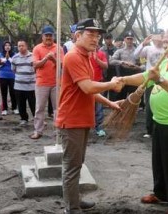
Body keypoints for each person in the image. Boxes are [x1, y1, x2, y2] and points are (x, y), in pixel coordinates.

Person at [118, 27, 168, 214]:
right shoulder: (166, 61)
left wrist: (161, 80)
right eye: (163, 42)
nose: (163, 46)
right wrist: (123, 79)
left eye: (166, 42)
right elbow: (146, 76)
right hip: (160, 120)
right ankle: (161, 193)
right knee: (159, 160)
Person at [55, 18, 122, 214]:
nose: (95, 39)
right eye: (90, 34)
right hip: (72, 119)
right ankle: (72, 208)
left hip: (81, 119)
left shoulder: (86, 56)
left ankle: (74, 201)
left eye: (97, 35)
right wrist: (111, 84)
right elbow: (88, 87)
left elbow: (90, 90)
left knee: (77, 163)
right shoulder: (74, 56)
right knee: (72, 166)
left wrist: (109, 103)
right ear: (78, 35)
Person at [31, 25, 64, 139]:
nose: (49, 37)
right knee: (40, 108)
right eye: (46, 35)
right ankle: (38, 131)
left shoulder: (58, 48)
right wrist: (46, 58)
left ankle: (58, 132)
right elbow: (35, 64)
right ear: (42, 36)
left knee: (57, 108)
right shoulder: (37, 48)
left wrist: (53, 59)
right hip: (41, 83)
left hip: (56, 82)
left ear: (53, 36)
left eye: (50, 35)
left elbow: (62, 65)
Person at [133, 31, 165, 138]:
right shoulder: (148, 48)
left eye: (161, 35)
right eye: (156, 36)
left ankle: (160, 128)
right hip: (150, 80)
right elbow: (135, 55)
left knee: (161, 103)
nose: (159, 38)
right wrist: (143, 43)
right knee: (150, 104)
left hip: (164, 80)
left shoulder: (166, 49)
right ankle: (149, 130)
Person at [110, 31, 141, 100]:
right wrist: (122, 62)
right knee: (121, 97)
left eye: (131, 39)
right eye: (128, 39)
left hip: (134, 75)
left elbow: (144, 64)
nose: (130, 41)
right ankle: (120, 110)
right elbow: (111, 61)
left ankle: (133, 110)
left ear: (133, 40)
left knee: (133, 97)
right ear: (124, 39)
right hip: (122, 75)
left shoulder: (138, 51)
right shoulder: (119, 51)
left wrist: (138, 67)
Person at [11, 40, 36, 126]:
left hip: (31, 86)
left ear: (26, 46)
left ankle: (37, 119)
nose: (21, 47)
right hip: (18, 86)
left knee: (33, 104)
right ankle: (24, 119)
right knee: (21, 104)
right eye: (19, 46)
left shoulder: (33, 56)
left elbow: (36, 69)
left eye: (22, 45)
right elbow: (13, 70)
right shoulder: (15, 58)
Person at [0, 41, 18, 116]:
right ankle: (4, 109)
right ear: (3, 47)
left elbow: (16, 64)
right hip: (2, 76)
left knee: (13, 93)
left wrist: (9, 59)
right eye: (6, 45)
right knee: (4, 93)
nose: (7, 47)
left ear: (11, 47)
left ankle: (14, 108)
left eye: (9, 45)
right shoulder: (0, 54)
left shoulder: (15, 55)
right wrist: (5, 59)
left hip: (12, 76)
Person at [100, 33, 118, 101]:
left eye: (110, 38)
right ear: (104, 40)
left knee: (113, 87)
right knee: (104, 87)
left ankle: (112, 102)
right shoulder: (101, 49)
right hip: (105, 71)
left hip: (114, 70)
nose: (109, 40)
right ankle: (104, 102)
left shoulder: (116, 49)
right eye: (107, 39)